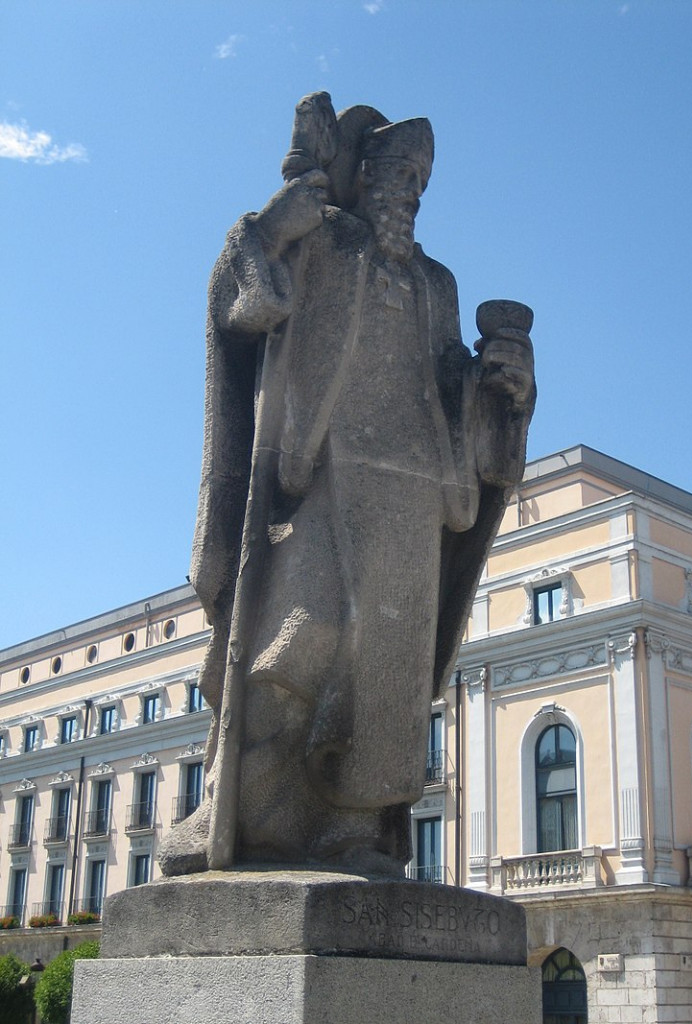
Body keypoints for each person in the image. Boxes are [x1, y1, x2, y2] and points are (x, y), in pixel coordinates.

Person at [159, 95, 535, 877]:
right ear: (363, 177)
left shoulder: (438, 283)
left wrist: (506, 392)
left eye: (418, 181)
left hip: (413, 489)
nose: (408, 192)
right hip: (326, 477)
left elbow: (454, 386)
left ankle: (348, 836)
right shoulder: (324, 241)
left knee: (385, 679)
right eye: (396, 174)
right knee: (293, 648)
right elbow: (246, 307)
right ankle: (239, 813)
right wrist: (268, 230)